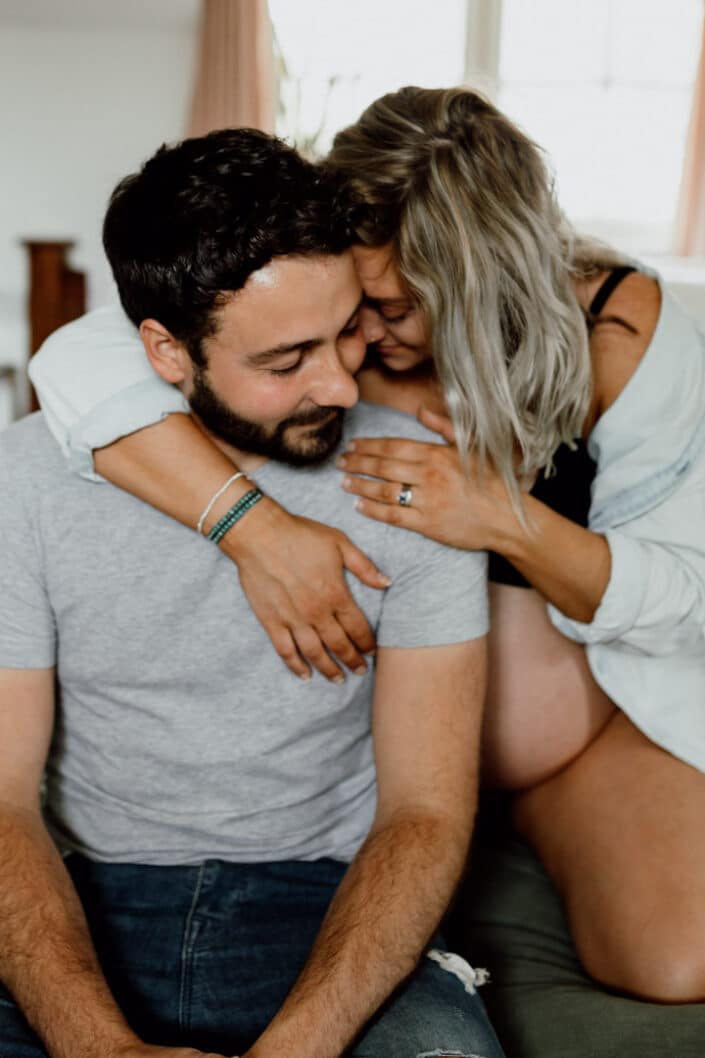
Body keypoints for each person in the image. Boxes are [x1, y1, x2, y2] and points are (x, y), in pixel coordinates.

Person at [29, 85, 705, 1009]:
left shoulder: (620, 343)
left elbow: (686, 598)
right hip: (375, 759)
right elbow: (77, 361)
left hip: (581, 732)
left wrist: (501, 514)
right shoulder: (326, 289)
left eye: (384, 310)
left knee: (676, 961)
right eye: (349, 302)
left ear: (477, 286)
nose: (359, 349)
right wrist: (255, 528)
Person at [0, 127, 506, 1058]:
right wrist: (95, 1045)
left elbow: (426, 810)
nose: (342, 381)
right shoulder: (23, 483)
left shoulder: (417, 482)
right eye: (286, 362)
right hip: (85, 903)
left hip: (329, 902)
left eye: (349, 327)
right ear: (164, 350)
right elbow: (0, 799)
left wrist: (296, 1050)